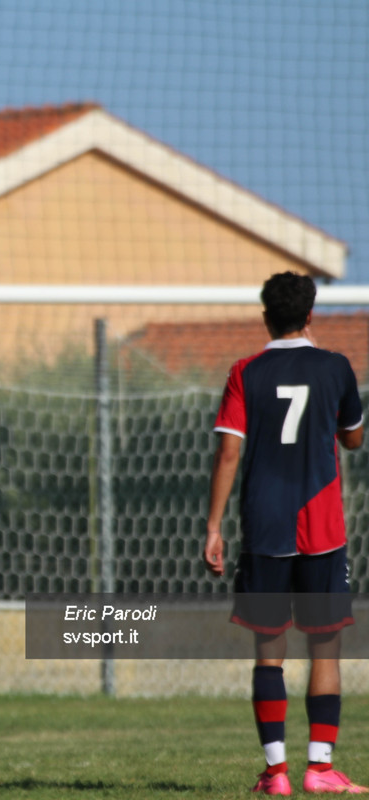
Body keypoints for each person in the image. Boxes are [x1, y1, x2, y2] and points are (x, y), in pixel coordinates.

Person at [205, 271, 366, 796]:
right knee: (325, 649)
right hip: (323, 528)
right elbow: (354, 439)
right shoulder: (336, 367)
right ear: (311, 314)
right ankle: (320, 768)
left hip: (264, 525)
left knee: (268, 653)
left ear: (264, 315)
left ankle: (276, 775)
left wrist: (213, 526)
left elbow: (229, 451)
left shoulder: (244, 371)